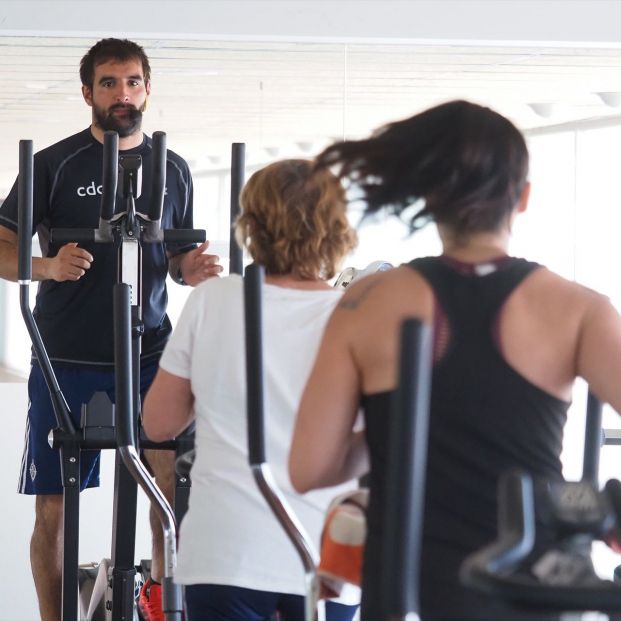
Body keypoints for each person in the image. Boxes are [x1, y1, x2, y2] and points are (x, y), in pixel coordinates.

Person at [288, 99, 621, 621]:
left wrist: (391, 432)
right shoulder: (580, 310)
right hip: (529, 589)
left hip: (408, 590)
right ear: (524, 198)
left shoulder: (366, 302)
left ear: (430, 197)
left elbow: (311, 467)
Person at [0, 38, 221, 621]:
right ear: (87, 93)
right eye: (109, 83)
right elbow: (0, 247)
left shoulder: (171, 167)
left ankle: (160, 605)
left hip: (150, 353)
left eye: (132, 82)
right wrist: (45, 266)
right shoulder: (54, 164)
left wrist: (189, 269)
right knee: (56, 504)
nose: (122, 95)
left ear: (147, 88)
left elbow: (173, 258)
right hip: (66, 356)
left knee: (168, 487)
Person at [142, 158, 360, 621]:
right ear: (336, 227)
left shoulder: (213, 300)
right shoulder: (356, 314)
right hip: (324, 555)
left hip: (224, 551)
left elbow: (158, 423)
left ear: (252, 226)